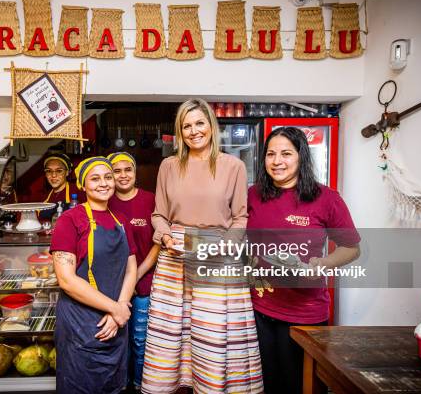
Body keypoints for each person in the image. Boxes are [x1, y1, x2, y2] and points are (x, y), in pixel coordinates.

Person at [141, 98, 263, 393]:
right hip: (175, 258)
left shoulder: (233, 166)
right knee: (173, 334)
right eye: (187, 126)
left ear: (211, 125)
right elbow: (159, 214)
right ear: (180, 131)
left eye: (200, 123)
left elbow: (240, 218)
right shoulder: (168, 166)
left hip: (218, 257)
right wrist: (166, 236)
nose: (194, 131)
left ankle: (214, 386)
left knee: (213, 332)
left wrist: (223, 250)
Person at [247, 127, 360, 393]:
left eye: (286, 153)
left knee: (302, 385)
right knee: (268, 385)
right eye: (271, 154)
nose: (277, 161)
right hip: (259, 308)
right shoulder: (253, 194)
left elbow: (352, 248)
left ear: (301, 157)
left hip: (303, 314)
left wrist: (322, 264)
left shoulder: (326, 198)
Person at [50, 156, 138, 394]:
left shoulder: (121, 221)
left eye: (108, 177)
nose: (104, 183)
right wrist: (116, 309)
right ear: (82, 184)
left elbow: (131, 268)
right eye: (95, 178)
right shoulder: (69, 220)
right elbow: (66, 280)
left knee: (114, 386)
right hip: (81, 322)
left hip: (116, 323)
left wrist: (120, 307)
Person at [106, 152, 160, 392]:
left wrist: (137, 274)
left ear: (135, 172)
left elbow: (158, 242)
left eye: (128, 170)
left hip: (144, 283)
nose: (123, 175)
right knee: (117, 341)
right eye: (117, 171)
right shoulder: (104, 201)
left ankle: (138, 385)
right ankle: (120, 385)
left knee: (140, 340)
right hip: (111, 288)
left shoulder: (151, 200)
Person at [40, 153, 85, 221]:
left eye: (59, 171)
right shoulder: (45, 197)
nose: (54, 175)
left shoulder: (78, 191)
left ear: (67, 172)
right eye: (49, 171)